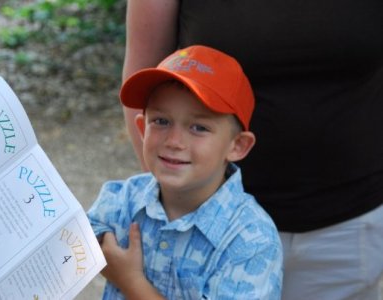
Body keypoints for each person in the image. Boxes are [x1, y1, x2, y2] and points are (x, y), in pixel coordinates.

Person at [121, 1, 383, 299]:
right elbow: (141, 79)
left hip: (349, 225)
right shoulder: (120, 202)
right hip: (211, 230)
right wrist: (171, 209)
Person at [88, 45, 283, 299]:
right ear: (142, 129)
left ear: (237, 145)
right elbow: (64, 245)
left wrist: (130, 281)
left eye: (199, 127)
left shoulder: (251, 240)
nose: (174, 141)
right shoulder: (121, 199)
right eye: (161, 121)